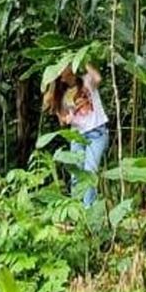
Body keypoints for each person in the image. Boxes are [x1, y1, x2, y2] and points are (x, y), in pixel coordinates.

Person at [42, 59, 110, 196]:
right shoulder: (62, 94)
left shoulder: (86, 81)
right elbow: (62, 120)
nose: (63, 67)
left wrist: (82, 59)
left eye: (66, 64)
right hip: (77, 136)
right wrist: (66, 119)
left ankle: (88, 207)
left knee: (90, 172)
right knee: (76, 176)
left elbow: (98, 78)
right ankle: (77, 207)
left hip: (96, 132)